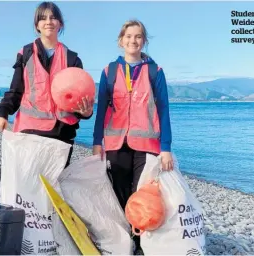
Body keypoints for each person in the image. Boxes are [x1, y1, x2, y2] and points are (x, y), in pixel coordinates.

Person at [92, 19, 173, 252]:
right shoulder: (109, 71)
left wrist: (165, 147)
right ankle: (123, 238)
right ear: (121, 41)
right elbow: (101, 110)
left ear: (144, 41)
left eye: (138, 37)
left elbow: (164, 109)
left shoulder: (155, 71)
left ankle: (140, 240)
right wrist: (97, 141)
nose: (133, 40)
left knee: (142, 194)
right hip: (116, 142)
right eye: (128, 36)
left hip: (147, 143)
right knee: (118, 191)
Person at [0, 1, 93, 167]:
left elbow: (80, 101)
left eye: (53, 18)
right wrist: (2, 112)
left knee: (53, 188)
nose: (48, 22)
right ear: (37, 25)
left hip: (61, 134)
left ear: (60, 23)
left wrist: (86, 112)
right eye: (43, 18)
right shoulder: (25, 53)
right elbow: (16, 91)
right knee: (28, 187)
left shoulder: (73, 59)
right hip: (29, 131)